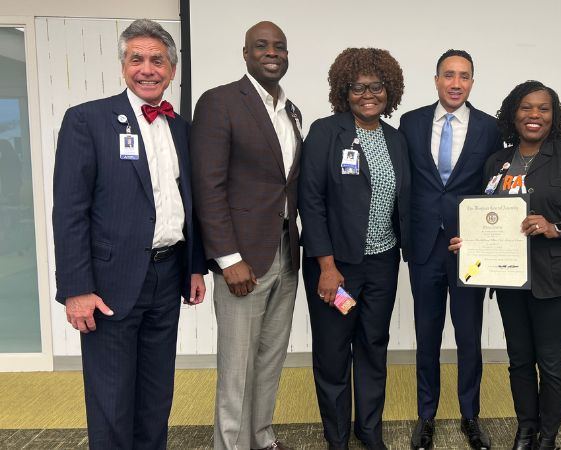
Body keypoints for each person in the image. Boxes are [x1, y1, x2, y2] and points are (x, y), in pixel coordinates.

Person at [52, 19, 206, 449]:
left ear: (171, 70)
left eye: (157, 60)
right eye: (136, 58)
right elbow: (69, 212)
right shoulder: (88, 120)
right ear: (123, 65)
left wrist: (194, 268)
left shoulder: (180, 128)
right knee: (112, 399)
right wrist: (77, 288)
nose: (147, 68)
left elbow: (187, 203)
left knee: (156, 397)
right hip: (109, 284)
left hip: (168, 273)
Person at [450, 80, 561, 450]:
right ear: (513, 113)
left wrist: (557, 228)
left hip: (556, 278)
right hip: (508, 278)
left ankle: (547, 438)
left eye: (543, 108)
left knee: (550, 361)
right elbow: (486, 216)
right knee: (519, 360)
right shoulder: (498, 161)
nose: (534, 115)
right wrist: (468, 242)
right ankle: (526, 429)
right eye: (526, 107)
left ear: (553, 116)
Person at [190, 21, 302, 450]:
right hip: (242, 260)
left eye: (279, 46)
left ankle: (261, 437)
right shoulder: (220, 102)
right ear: (245, 53)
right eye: (261, 46)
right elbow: (209, 186)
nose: (271, 53)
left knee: (270, 359)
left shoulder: (289, 111)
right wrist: (227, 258)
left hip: (285, 254)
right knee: (236, 367)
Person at [298, 47, 410, 450]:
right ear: (343, 91)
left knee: (372, 345)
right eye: (358, 87)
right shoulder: (327, 133)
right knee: (333, 351)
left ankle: (369, 428)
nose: (368, 94)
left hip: (382, 266)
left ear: (389, 89)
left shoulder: (396, 140)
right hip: (338, 269)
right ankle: (337, 437)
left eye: (376, 86)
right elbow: (309, 201)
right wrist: (327, 266)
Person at [398, 49, 502, 450]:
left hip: (469, 249)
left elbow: (492, 188)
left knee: (468, 336)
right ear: (436, 79)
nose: (456, 83)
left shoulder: (490, 129)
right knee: (427, 335)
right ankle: (426, 416)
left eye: (464, 76)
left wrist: (481, 236)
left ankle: (470, 416)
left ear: (472, 82)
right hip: (424, 246)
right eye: (449, 75)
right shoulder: (411, 123)